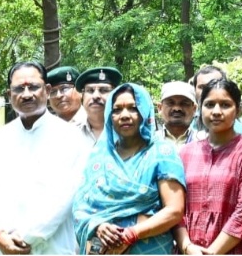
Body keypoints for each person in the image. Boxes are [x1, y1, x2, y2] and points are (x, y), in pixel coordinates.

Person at [0, 61, 90, 254]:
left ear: (46, 90)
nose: (27, 94)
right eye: (19, 88)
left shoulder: (70, 137)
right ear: (10, 95)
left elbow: (64, 198)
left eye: (33, 87)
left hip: (51, 248)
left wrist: (24, 238)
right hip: (2, 248)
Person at [72, 83, 186, 254]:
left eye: (133, 108)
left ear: (145, 112)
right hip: (102, 248)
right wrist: (98, 226)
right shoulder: (99, 157)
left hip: (149, 247)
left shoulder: (161, 152)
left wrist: (131, 234)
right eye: (117, 110)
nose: (124, 115)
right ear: (109, 115)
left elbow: (174, 210)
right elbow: (81, 207)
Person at [174, 79, 242, 255]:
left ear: (238, 110)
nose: (216, 112)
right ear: (200, 108)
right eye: (209, 104)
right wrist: (186, 246)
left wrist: (212, 252)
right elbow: (175, 209)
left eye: (225, 105)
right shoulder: (185, 153)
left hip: (236, 249)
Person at [76, 66, 123, 145]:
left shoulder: (127, 130)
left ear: (115, 96)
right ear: (83, 96)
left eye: (104, 90)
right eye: (90, 90)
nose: (96, 96)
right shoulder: (70, 133)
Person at [157, 81, 198, 146]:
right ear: (160, 108)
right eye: (170, 103)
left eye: (184, 103)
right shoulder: (148, 143)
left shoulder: (204, 142)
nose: (177, 108)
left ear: (194, 109)